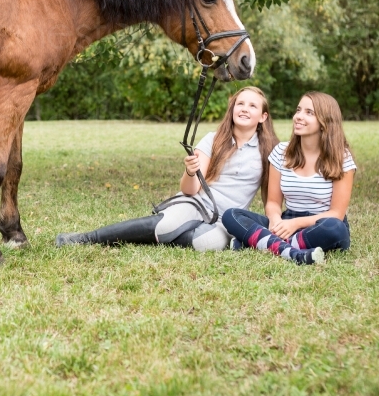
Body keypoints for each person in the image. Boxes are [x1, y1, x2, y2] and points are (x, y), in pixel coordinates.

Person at [56, 86, 278, 251]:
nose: (245, 109)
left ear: (263, 116)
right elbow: (190, 190)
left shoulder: (270, 151)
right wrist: (190, 172)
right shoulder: (213, 139)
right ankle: (87, 237)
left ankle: (159, 234)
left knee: (205, 244)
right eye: (240, 103)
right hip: (197, 203)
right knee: (166, 226)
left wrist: (275, 223)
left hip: (225, 220)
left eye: (252, 106)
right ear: (232, 109)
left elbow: (271, 200)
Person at [222, 91, 355, 265]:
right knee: (231, 215)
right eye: (298, 110)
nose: (298, 116)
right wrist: (276, 220)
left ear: (325, 122)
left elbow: (337, 214)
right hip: (286, 221)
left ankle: (263, 243)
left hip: (320, 224)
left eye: (309, 113)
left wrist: (295, 225)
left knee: (335, 229)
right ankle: (293, 253)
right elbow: (273, 203)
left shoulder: (342, 157)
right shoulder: (281, 152)